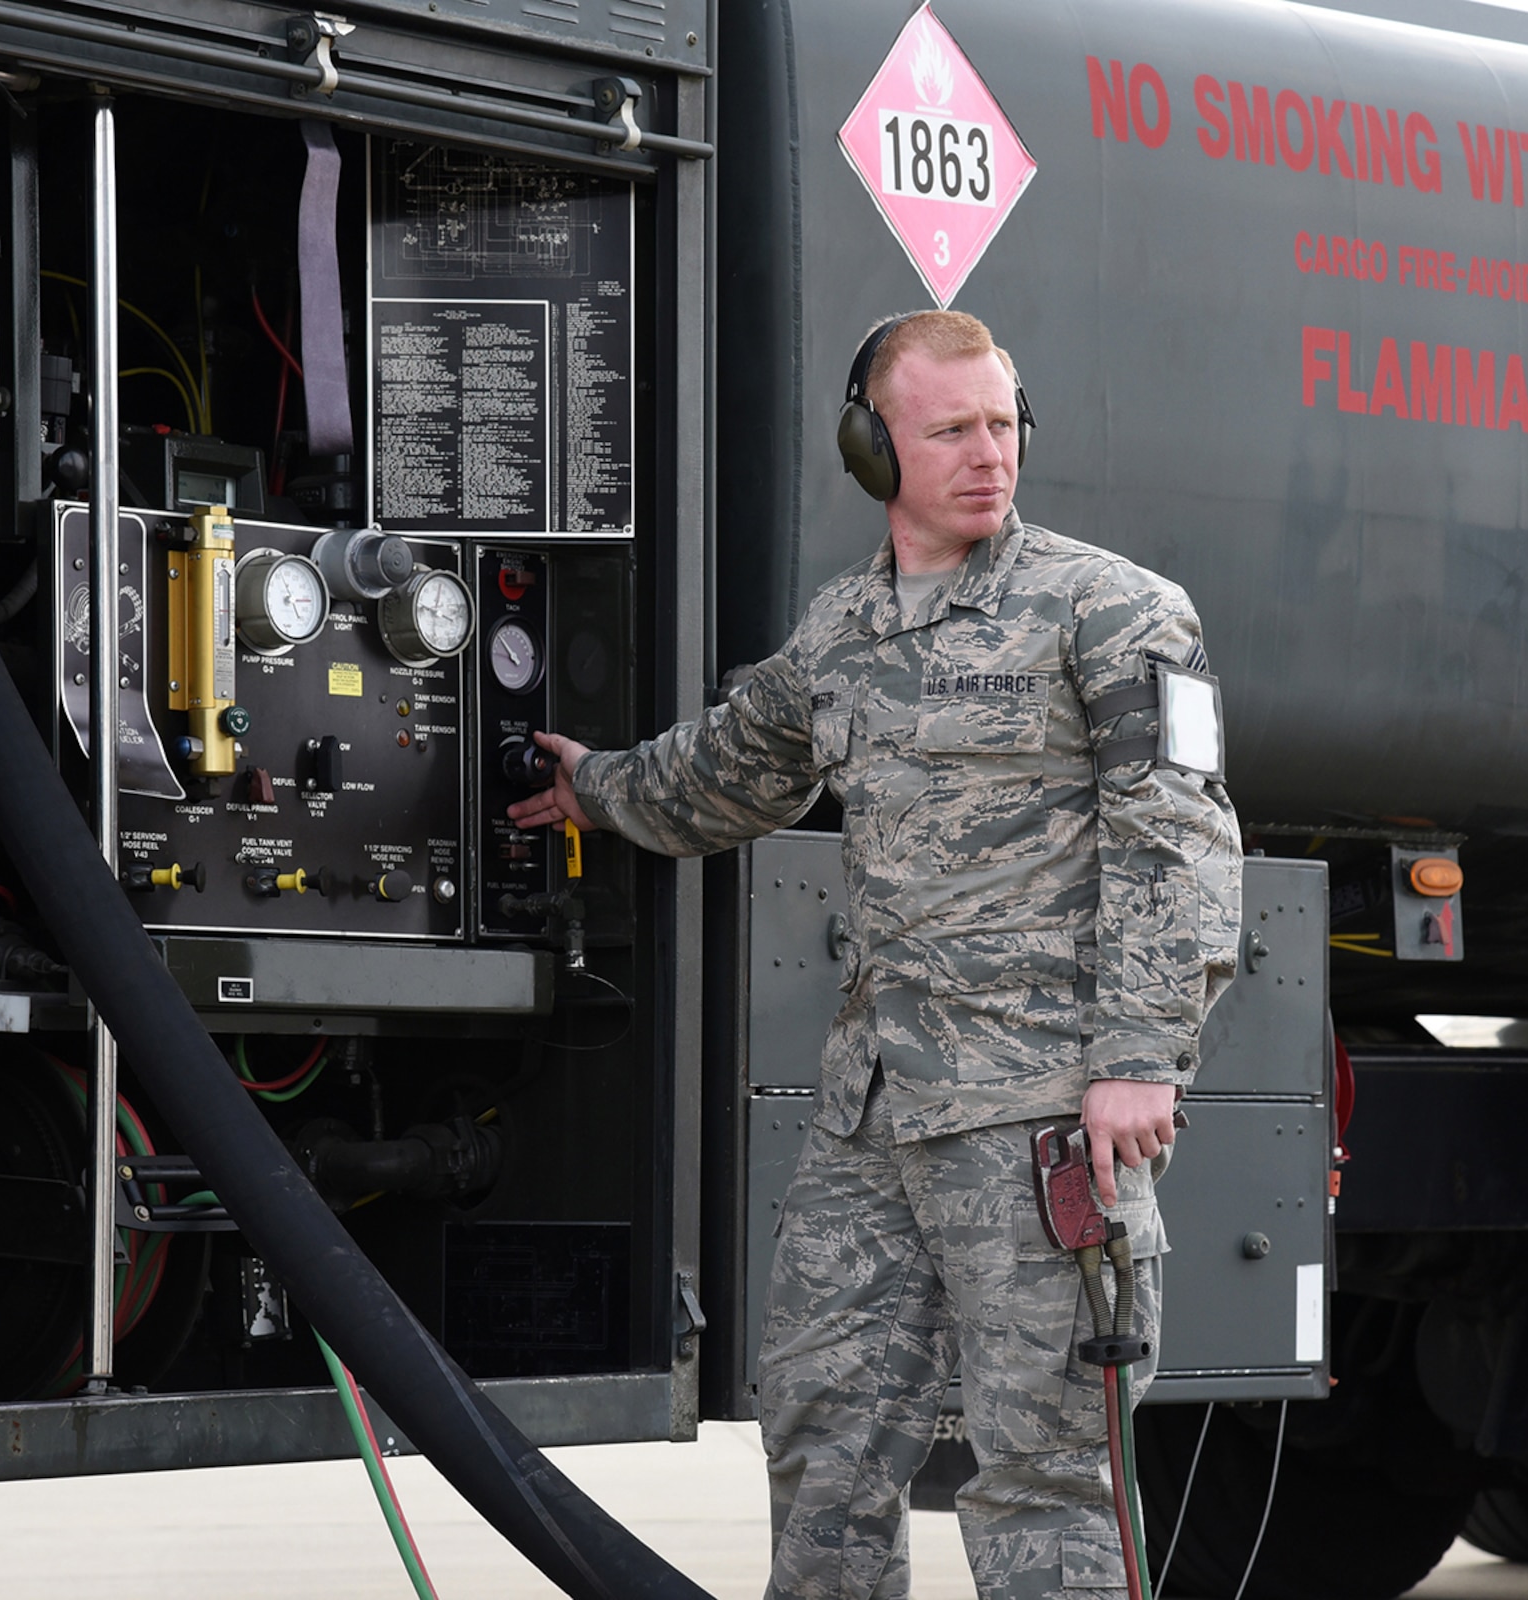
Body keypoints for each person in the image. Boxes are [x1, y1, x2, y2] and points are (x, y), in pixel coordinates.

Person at [508, 309, 1242, 1600]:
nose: (988, 456)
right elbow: (733, 769)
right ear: (870, 447)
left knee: (1047, 1471)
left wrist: (1138, 1057)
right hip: (875, 1120)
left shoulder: (1113, 610)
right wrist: (600, 790)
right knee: (822, 1434)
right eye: (950, 429)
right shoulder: (844, 630)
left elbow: (1178, 839)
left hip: (1039, 1117)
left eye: (1004, 425)